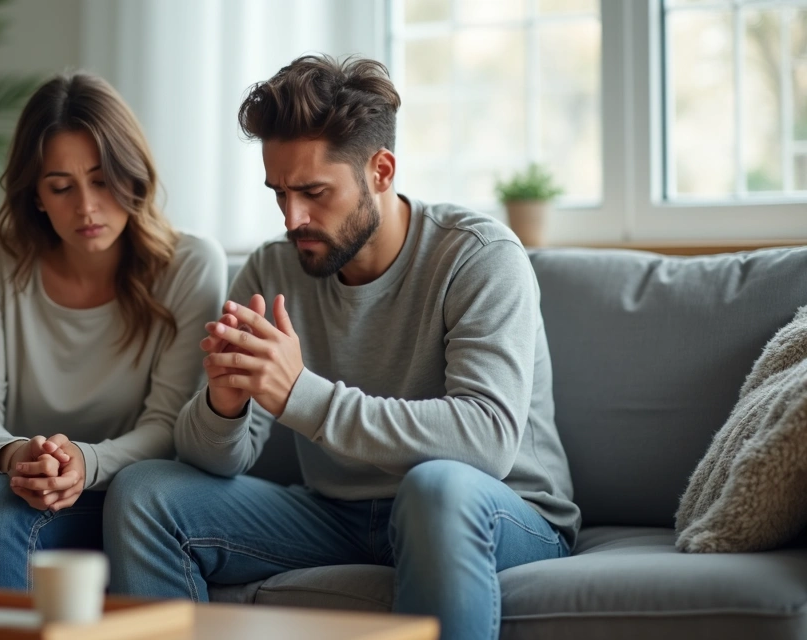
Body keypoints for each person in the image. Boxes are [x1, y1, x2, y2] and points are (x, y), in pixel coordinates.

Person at [103, 55, 580, 640]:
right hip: (338, 514)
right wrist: (224, 407)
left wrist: (301, 395)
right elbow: (216, 460)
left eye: (313, 191)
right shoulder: (273, 267)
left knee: (435, 488)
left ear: (380, 170)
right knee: (145, 493)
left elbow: (486, 441)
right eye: (279, 193)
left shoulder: (479, 256)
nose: (292, 217)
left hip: (497, 510)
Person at [0, 72, 226, 588]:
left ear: (133, 176)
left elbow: (168, 426)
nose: (85, 207)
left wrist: (85, 460)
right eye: (61, 187)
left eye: (102, 180)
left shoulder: (190, 264)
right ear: (36, 195)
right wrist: (15, 454)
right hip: (15, 468)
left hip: (116, 487)